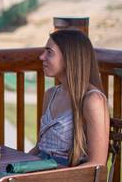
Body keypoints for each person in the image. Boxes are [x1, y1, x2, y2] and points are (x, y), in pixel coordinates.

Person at [29, 29, 109, 166]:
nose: (41, 57)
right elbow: (40, 147)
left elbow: (98, 163)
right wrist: (14, 165)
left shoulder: (92, 100)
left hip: (67, 180)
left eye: (49, 52)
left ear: (69, 57)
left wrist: (60, 178)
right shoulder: (50, 94)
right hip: (39, 171)